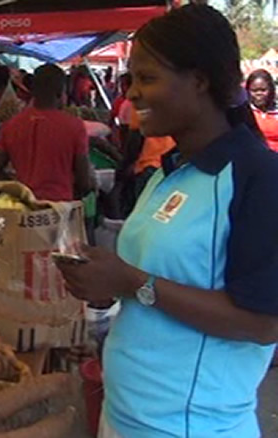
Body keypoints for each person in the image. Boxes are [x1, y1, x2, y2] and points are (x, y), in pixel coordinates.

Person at [55, 5, 278, 438]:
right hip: (124, 413)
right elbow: (154, 282)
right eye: (132, 79)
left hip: (189, 427)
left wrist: (133, 281)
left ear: (199, 80)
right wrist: (104, 284)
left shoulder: (258, 177)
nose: (133, 93)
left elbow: (263, 323)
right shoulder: (168, 170)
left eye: (147, 78)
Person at [0, 63, 93, 201]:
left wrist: (17, 188)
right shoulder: (75, 126)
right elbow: (84, 182)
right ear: (60, 93)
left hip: (23, 205)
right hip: (60, 206)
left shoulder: (11, 125)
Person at [246, 69, 278, 151]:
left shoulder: (276, 112)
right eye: (254, 91)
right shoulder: (244, 113)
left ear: (271, 90)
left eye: (263, 90)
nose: (259, 94)